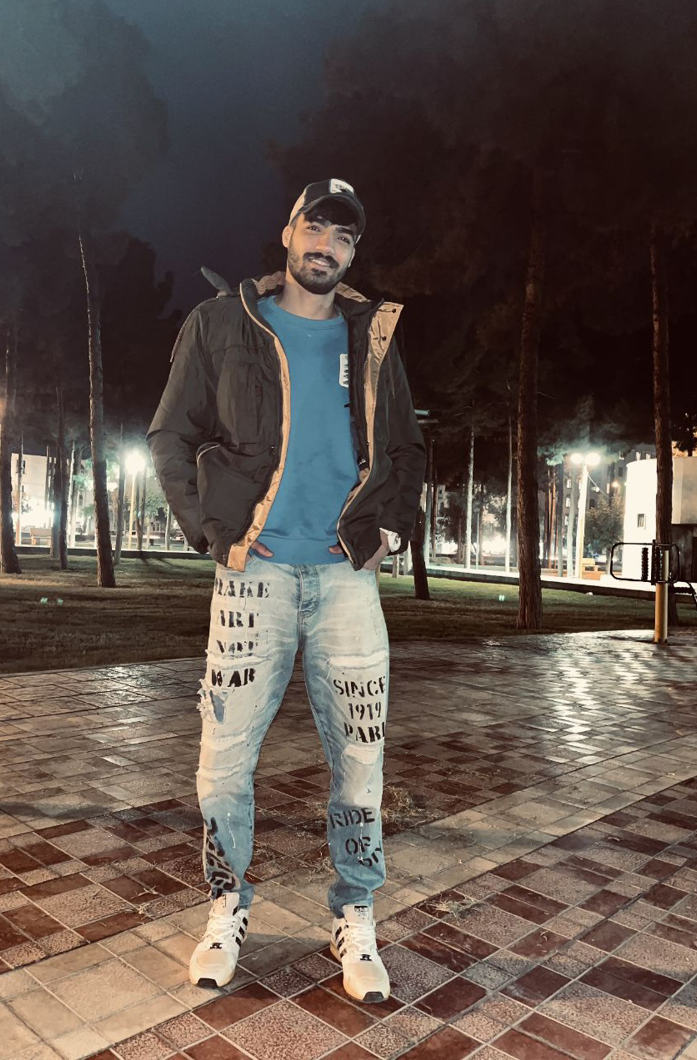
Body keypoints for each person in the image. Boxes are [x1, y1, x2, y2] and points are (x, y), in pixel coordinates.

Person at [148, 179, 426, 1003]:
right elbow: (170, 434)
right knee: (223, 763)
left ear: (353, 252)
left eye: (343, 235)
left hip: (346, 578)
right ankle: (227, 905)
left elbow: (406, 448)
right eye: (315, 226)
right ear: (287, 232)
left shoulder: (373, 337)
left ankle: (356, 914)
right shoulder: (221, 323)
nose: (326, 244)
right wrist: (213, 532)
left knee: (361, 763)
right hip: (254, 576)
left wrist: (393, 531)